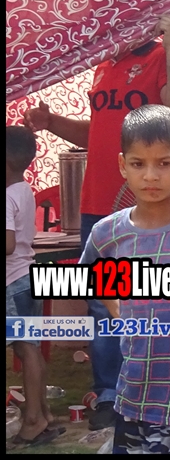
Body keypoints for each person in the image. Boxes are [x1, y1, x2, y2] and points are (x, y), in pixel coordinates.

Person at [22, 14, 170, 429]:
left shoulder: (158, 56)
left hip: (151, 207)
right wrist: (53, 123)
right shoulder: (103, 63)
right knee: (102, 300)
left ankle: (162, 386)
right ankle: (109, 394)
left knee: (164, 297)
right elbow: (103, 132)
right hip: (98, 205)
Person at [78, 105, 170, 453]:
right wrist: (118, 311)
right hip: (136, 396)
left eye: (164, 163)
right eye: (139, 164)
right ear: (123, 165)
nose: (151, 176)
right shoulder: (107, 233)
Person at [6, 126, 64, 447]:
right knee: (31, 348)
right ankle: (43, 413)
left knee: (25, 349)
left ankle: (33, 419)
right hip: (28, 277)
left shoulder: (6, 197)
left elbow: (7, 245)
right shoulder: (23, 190)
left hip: (12, 282)